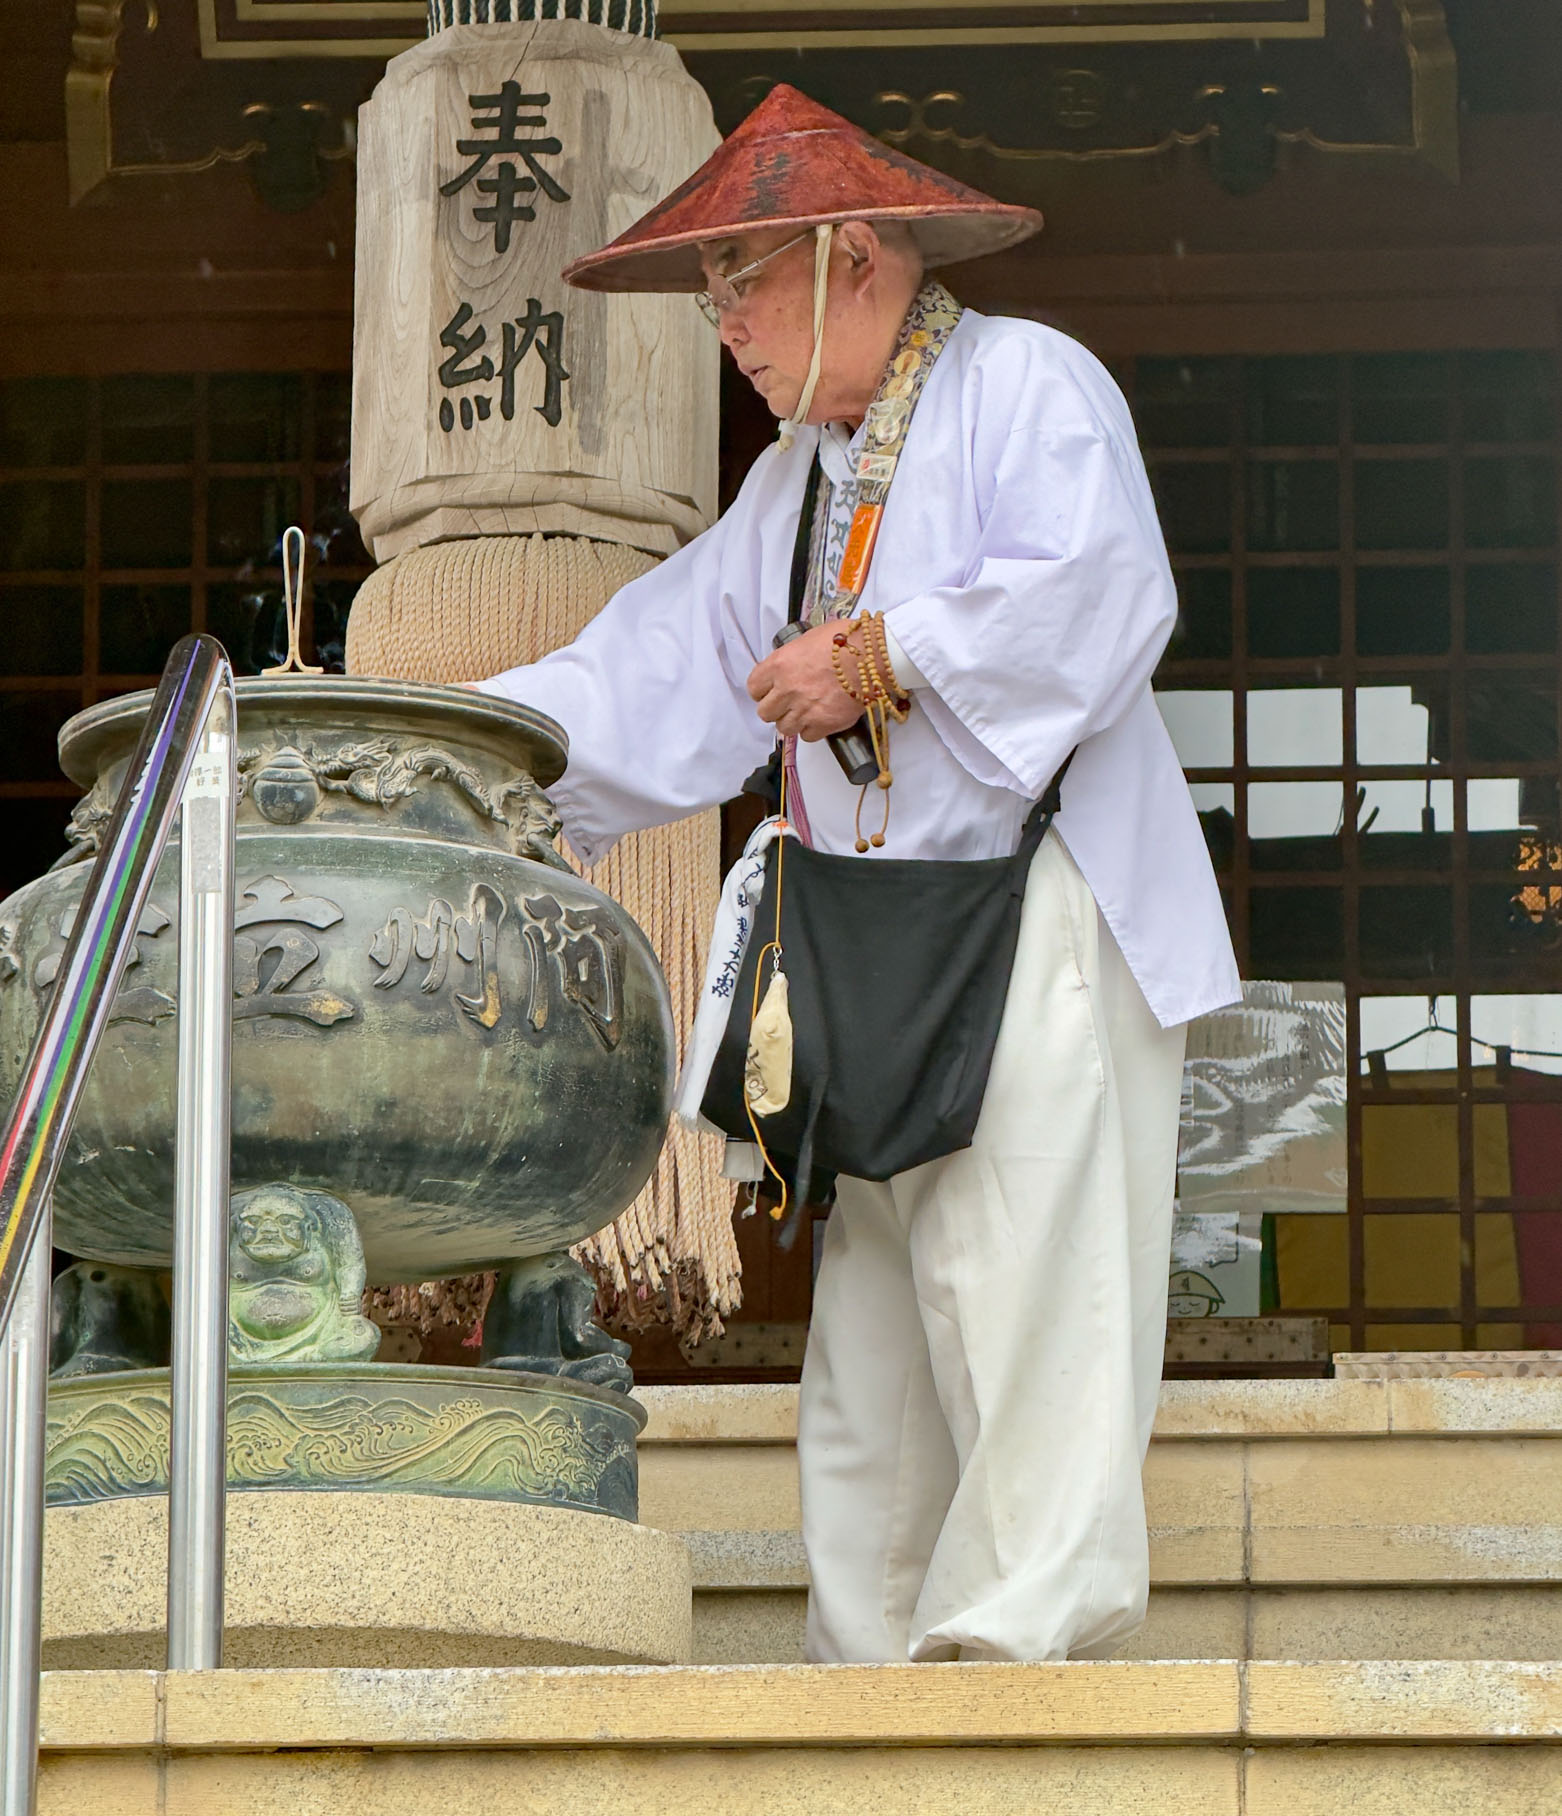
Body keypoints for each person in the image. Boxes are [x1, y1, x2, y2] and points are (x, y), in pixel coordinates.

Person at [474, 84, 1240, 1664]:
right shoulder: (800, 476)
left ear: (855, 254)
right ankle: (867, 1656)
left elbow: (1102, 589)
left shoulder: (1024, 381)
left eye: (742, 279)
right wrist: (461, 747)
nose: (723, 323)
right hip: (871, 940)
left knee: (1025, 1291)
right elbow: (659, 666)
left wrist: (884, 653)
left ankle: (1017, 1649)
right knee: (876, 1329)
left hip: (1039, 906)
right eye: (711, 288)